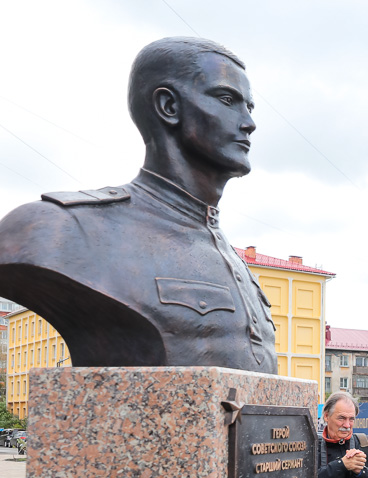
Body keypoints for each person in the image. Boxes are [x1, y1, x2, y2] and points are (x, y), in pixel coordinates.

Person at [0, 37, 277, 372]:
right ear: (168, 107)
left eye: (249, 107)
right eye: (227, 99)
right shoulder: (55, 231)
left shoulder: (232, 260)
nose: (249, 123)